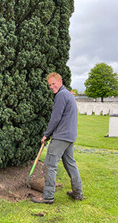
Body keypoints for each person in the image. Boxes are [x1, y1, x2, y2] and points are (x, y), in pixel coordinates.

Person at [31, 72, 83, 204]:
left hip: (61, 136)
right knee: (70, 164)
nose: (52, 86)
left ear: (60, 82)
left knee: (49, 165)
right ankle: (77, 193)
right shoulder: (68, 95)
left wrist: (46, 134)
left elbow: (55, 118)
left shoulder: (61, 95)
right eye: (49, 85)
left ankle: (48, 196)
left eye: (53, 83)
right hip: (69, 136)